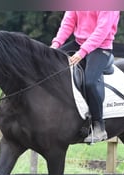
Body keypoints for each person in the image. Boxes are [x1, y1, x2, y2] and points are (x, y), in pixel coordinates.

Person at [51, 11, 120, 143]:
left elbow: (102, 30)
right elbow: (67, 23)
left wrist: (82, 52)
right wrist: (56, 44)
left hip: (101, 47)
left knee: (90, 82)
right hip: (78, 43)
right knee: (49, 65)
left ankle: (99, 126)